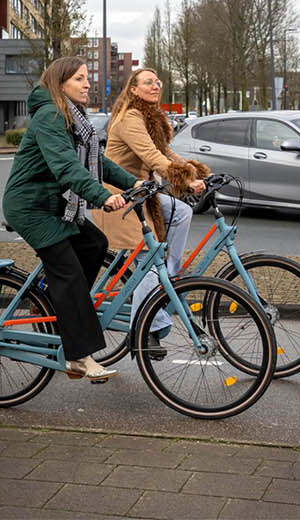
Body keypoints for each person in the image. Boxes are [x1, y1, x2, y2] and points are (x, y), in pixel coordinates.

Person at [2, 56, 140, 381]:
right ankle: (78, 356)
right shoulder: (51, 116)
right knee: (70, 274)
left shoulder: (72, 117)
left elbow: (97, 164)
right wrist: (103, 197)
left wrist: (134, 183)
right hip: (32, 207)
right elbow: (66, 168)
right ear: (60, 82)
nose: (88, 84)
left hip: (55, 204)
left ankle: (53, 305)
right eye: (80, 78)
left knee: (95, 244)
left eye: (87, 78)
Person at [88, 68, 209, 352]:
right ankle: (144, 327)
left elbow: (166, 152)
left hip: (141, 194)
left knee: (182, 213)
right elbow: (152, 157)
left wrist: (193, 172)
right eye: (148, 82)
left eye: (157, 82)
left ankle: (168, 280)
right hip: (119, 196)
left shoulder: (151, 117)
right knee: (147, 259)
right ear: (133, 89)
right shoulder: (130, 117)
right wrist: (185, 180)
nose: (155, 86)